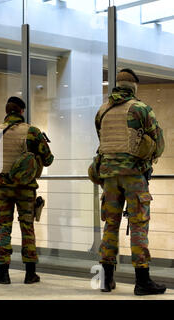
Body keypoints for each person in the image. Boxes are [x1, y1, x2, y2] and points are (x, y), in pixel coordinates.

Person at [94, 68, 166, 295]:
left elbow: (101, 139)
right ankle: (142, 280)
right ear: (134, 87)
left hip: (109, 177)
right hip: (134, 176)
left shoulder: (102, 110)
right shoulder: (141, 108)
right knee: (138, 225)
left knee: (110, 225)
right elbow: (158, 142)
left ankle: (106, 279)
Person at [0, 96, 53, 284]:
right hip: (25, 189)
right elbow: (48, 159)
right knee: (27, 227)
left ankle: (2, 273)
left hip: (3, 189)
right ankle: (30, 273)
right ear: (22, 111)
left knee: (4, 229)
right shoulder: (32, 131)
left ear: (7, 111)